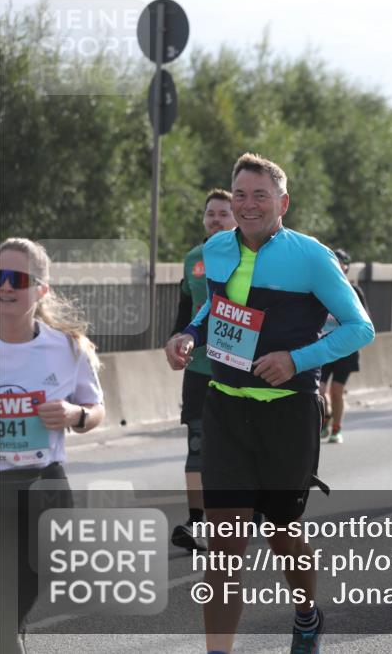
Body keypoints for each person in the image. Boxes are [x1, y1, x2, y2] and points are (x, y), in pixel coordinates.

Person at [164, 153, 375, 654]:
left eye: (260, 195)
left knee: (283, 535)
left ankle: (306, 615)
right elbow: (215, 306)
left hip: (286, 414)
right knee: (223, 549)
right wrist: (188, 335)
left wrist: (296, 359)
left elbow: (359, 327)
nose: (247, 204)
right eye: (239, 194)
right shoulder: (215, 248)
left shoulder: (311, 256)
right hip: (225, 408)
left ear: (283, 202)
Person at [0, 238, 106, 654]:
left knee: (28, 586)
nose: (6, 287)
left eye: (18, 279)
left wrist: (74, 415)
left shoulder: (67, 347)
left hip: (44, 485)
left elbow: (96, 409)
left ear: (41, 289)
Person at [169, 189, 238, 553]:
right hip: (198, 367)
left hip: (239, 368)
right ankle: (197, 522)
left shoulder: (251, 257)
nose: (215, 219)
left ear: (236, 217)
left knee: (237, 446)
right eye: (210, 213)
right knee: (197, 444)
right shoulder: (193, 259)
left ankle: (245, 512)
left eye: (223, 214)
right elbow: (185, 307)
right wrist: (176, 338)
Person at [318, 249, 369, 443]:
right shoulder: (320, 289)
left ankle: (336, 429)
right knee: (319, 391)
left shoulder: (354, 292)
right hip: (324, 347)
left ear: (346, 267)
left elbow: (365, 323)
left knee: (336, 391)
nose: (338, 266)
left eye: (341, 263)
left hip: (346, 350)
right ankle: (326, 419)